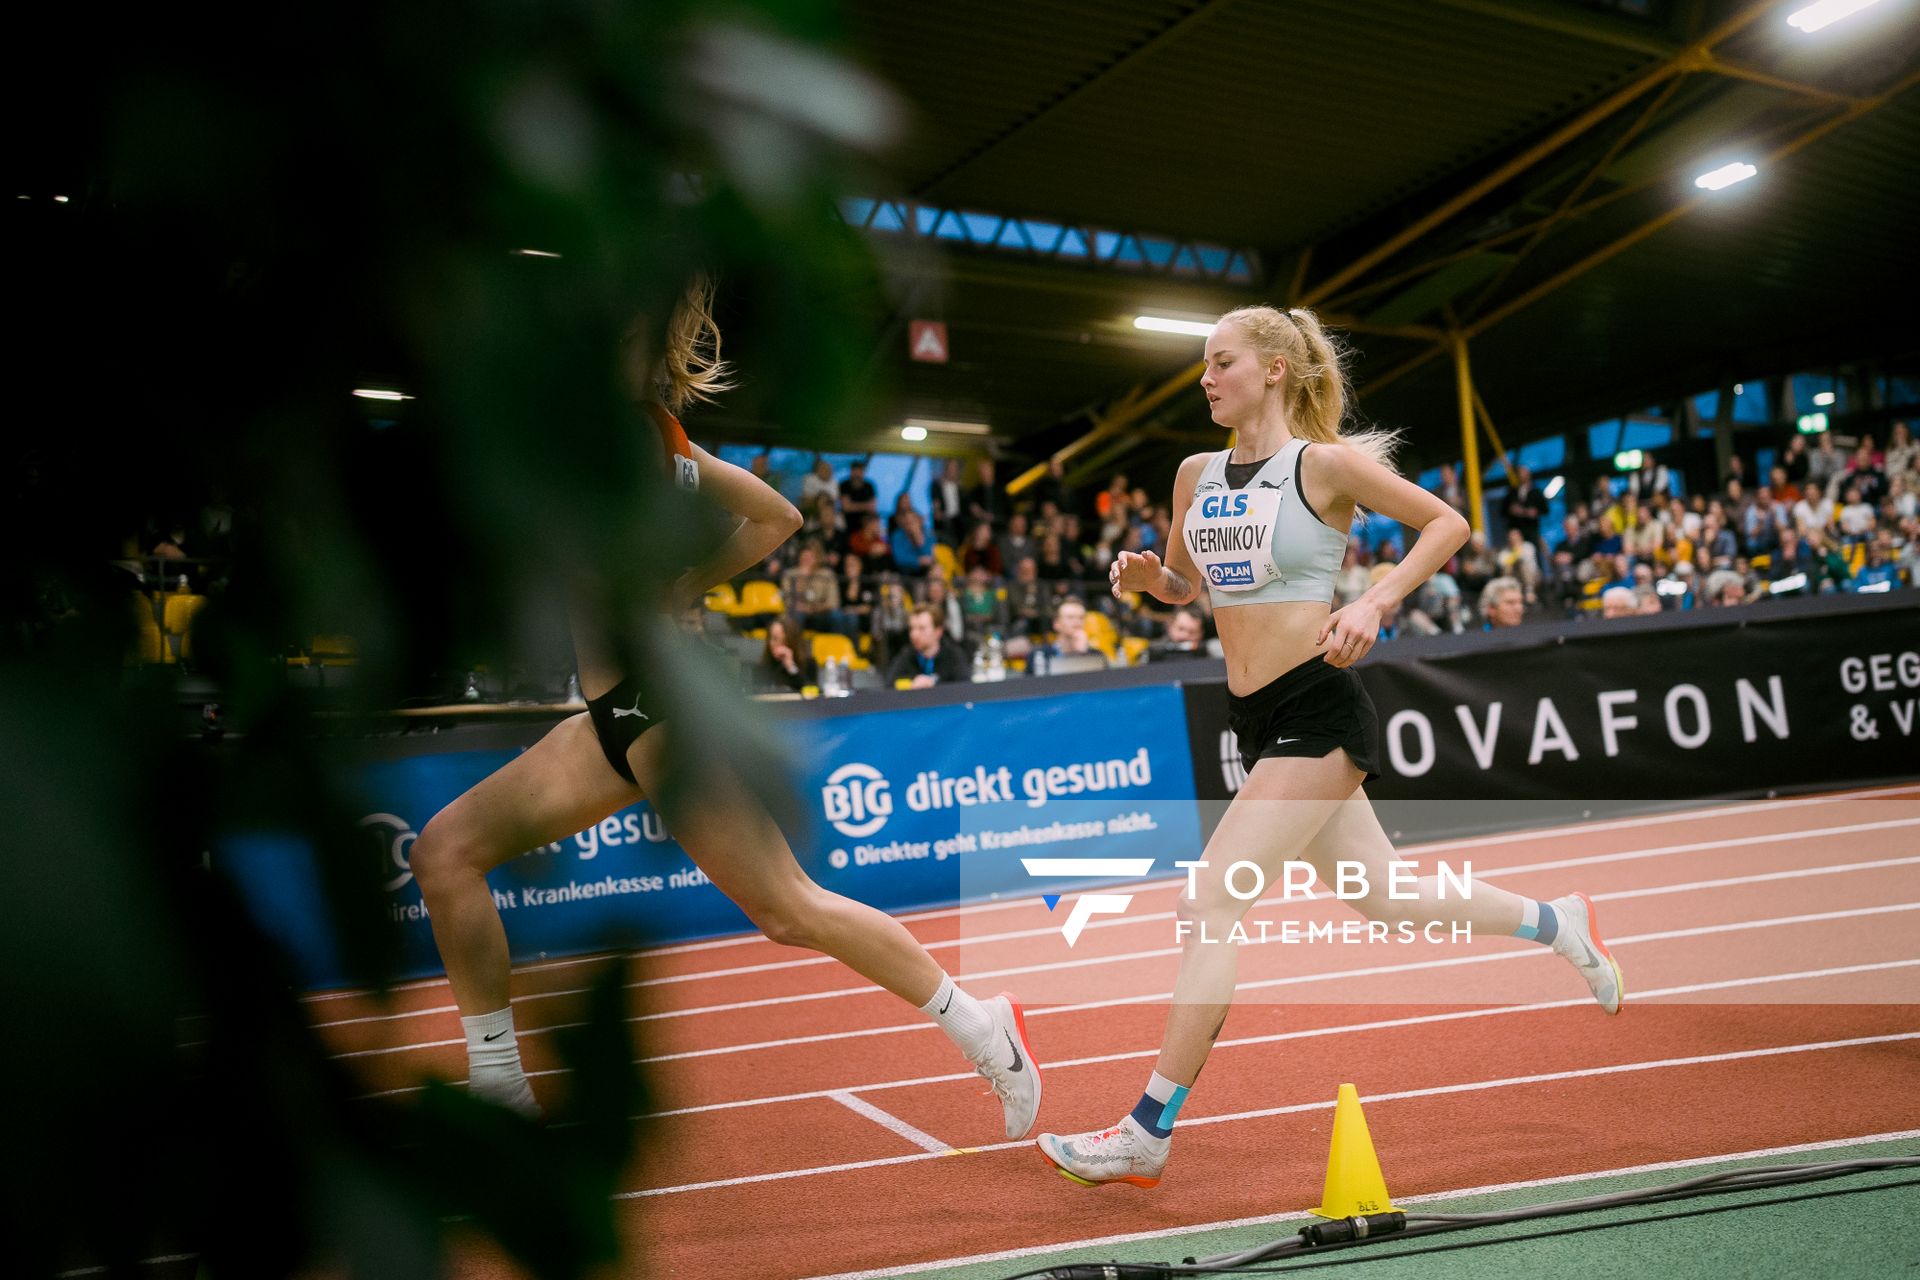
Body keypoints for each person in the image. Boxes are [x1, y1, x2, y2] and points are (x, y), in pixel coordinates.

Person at [405, 280, 1037, 1137]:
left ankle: (982, 1026)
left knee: (787, 909)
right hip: (611, 718)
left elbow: (778, 514)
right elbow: (775, 514)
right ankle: (498, 1085)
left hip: (660, 706)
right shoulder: (642, 434)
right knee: (446, 854)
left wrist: (680, 578)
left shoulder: (634, 435)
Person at [1037, 305, 1622, 1187]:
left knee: (1209, 906)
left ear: (1273, 370)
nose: (1205, 379)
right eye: (1203, 365)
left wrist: (1375, 600)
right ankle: (1558, 922)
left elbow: (1447, 525)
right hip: (1257, 720)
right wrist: (1150, 580)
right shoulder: (1194, 474)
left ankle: (1147, 1129)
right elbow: (1188, 587)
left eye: (1220, 363)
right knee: (1388, 898)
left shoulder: (1326, 466)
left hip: (1318, 705)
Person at [884, 605, 970, 687]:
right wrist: (911, 683)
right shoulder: (906, 655)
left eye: (922, 628)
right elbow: (890, 684)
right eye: (912, 628)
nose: (914, 635)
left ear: (938, 631)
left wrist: (934, 685)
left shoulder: (953, 655)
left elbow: (964, 686)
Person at [754, 614, 819, 692]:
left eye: (782, 640)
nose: (773, 643)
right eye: (772, 638)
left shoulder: (809, 664)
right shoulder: (763, 666)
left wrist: (791, 668)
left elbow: (811, 692)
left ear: (791, 641)